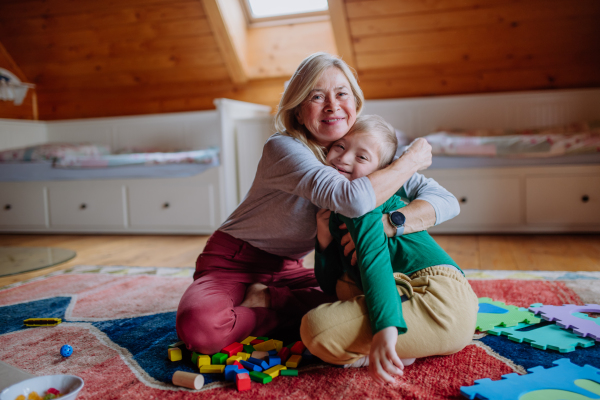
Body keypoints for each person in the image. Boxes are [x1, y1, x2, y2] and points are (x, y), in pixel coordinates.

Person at [175, 52, 459, 356]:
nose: (332, 106)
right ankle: (279, 314)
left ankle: (272, 300)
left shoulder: (361, 148)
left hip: (291, 268)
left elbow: (447, 202)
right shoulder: (284, 147)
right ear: (298, 111)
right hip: (235, 260)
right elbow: (354, 200)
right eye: (316, 96)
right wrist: (409, 161)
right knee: (201, 328)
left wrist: (391, 222)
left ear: (355, 103)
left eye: (341, 94)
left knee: (367, 296)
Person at [301, 115, 478, 384]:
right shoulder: (335, 207)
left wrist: (386, 329)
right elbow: (331, 285)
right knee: (343, 288)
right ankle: (405, 344)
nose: (344, 159)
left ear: (380, 171)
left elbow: (374, 264)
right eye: (339, 146)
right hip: (411, 292)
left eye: (361, 158)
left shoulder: (365, 201)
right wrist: (324, 235)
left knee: (314, 329)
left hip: (439, 299)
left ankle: (385, 346)